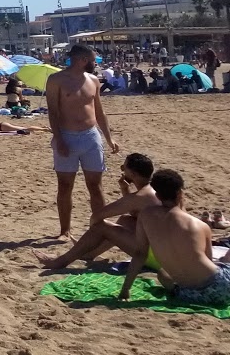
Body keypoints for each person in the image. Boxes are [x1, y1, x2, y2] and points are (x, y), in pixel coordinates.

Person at [121, 169, 230, 307]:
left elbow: (140, 254)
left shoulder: (145, 216)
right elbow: (208, 261)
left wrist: (125, 290)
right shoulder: (200, 226)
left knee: (163, 274)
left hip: (189, 295)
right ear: (180, 193)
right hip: (223, 288)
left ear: (157, 195)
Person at [35, 153, 157, 272]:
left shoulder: (139, 197)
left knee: (102, 227)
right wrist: (124, 189)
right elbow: (135, 213)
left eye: (124, 168)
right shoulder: (155, 190)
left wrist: (94, 234)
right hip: (166, 252)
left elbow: (98, 216)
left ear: (133, 174)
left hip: (155, 257)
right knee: (126, 220)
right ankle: (90, 254)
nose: (122, 171)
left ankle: (60, 261)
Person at [46, 44, 118, 239]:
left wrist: (109, 138)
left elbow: (99, 112)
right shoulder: (56, 80)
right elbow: (52, 112)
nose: (95, 64)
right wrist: (59, 139)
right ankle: (65, 230)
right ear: (83, 60)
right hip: (66, 135)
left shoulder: (93, 80)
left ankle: (100, 227)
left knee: (95, 184)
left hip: (90, 136)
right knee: (65, 185)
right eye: (93, 60)